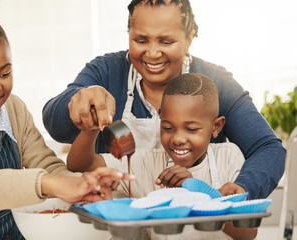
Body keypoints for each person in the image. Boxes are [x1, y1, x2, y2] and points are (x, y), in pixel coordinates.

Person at [43, 0, 285, 200]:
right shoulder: (106, 71)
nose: (152, 52)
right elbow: (55, 125)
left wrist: (243, 188)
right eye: (141, 40)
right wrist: (76, 102)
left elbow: (268, 149)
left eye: (166, 41)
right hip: (119, 224)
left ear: (189, 38)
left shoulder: (215, 82)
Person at [0, 0, 134, 239]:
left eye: (5, 73)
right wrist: (46, 184)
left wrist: (86, 183)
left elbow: (47, 166)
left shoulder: (14, 109)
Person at [67, 73, 257, 239]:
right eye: (167, 127)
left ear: (216, 126)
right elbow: (80, 164)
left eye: (191, 129)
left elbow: (248, 233)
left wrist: (197, 194)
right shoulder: (146, 163)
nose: (178, 139)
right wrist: (90, 129)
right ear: (160, 118)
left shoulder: (229, 157)